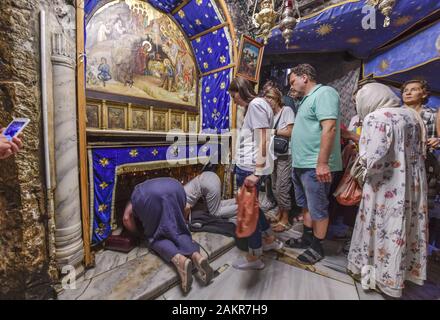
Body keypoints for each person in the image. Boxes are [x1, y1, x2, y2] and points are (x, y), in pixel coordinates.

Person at [347, 83, 428, 298]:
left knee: (378, 227)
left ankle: (374, 278)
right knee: (400, 228)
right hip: (410, 185)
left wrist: (360, 172)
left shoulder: (377, 117)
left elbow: (372, 159)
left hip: (384, 186)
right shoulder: (411, 116)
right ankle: (397, 277)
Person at [285, 64, 342, 265]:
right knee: (306, 205)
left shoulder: (324, 93)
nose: (292, 85)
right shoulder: (305, 101)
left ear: (305, 77)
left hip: (314, 165)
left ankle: (318, 246)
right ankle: (307, 238)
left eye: (293, 81)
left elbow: (330, 127)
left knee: (318, 207)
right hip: (301, 164)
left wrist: (322, 163)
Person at [122, 177, 214, 294]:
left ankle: (180, 261)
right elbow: (186, 208)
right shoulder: (154, 182)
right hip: (176, 187)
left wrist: (137, 234)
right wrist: (182, 223)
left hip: (149, 197)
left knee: (156, 237)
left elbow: (126, 219)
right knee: (179, 231)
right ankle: (197, 256)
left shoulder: (136, 195)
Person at [228, 76, 283, 270]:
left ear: (238, 91)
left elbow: (263, 139)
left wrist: (258, 173)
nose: (233, 100)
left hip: (250, 169)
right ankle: (268, 239)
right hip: (249, 166)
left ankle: (254, 257)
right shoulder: (256, 106)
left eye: (232, 95)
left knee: (247, 213)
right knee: (254, 208)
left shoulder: (256, 105)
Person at [262, 86, 295, 232]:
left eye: (271, 98)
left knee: (282, 187)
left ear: (277, 99)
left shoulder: (286, 110)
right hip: (272, 153)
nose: (268, 101)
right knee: (274, 186)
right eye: (266, 98)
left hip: (284, 155)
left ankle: (286, 219)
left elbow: (291, 131)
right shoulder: (270, 115)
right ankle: (280, 213)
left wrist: (273, 131)